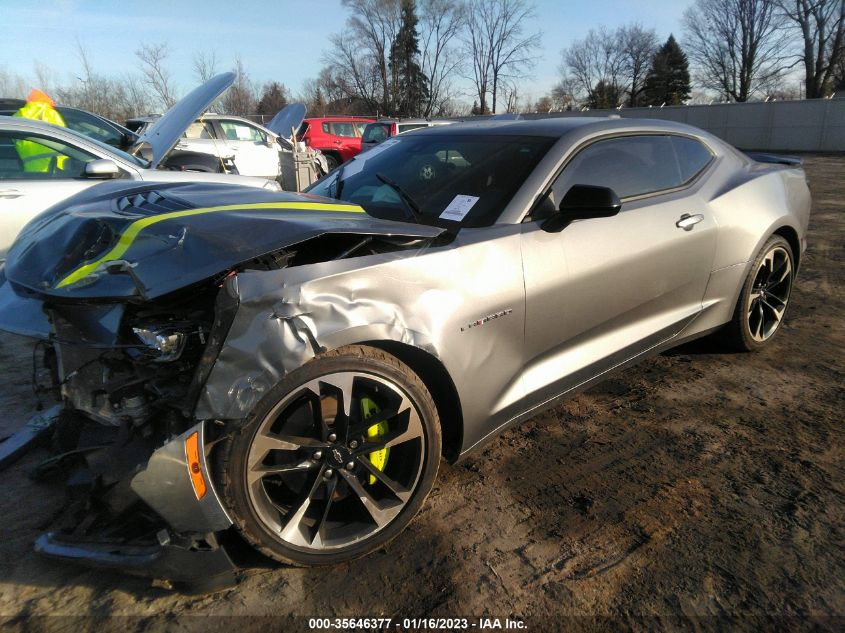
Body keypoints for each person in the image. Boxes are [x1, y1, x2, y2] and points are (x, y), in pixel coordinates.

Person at [13, 88, 68, 173]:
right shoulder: (52, 114)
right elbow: (67, 140)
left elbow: (14, 139)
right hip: (54, 172)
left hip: (29, 172)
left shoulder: (18, 115)